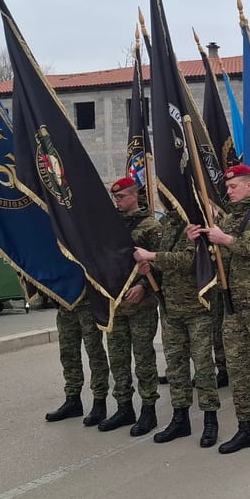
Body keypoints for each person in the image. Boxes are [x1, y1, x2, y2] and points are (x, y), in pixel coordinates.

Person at [189, 164, 250, 463]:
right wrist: (201, 239)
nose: (228, 191)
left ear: (249, 185)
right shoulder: (229, 219)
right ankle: (247, 429)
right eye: (227, 187)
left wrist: (227, 240)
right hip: (234, 308)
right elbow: (219, 255)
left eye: (233, 186)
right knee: (238, 372)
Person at [133, 209, 221, 448]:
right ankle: (180, 418)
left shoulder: (197, 222)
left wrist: (152, 255)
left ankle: (210, 419)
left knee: (203, 367)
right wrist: (150, 269)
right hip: (171, 309)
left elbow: (189, 260)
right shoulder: (168, 225)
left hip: (196, 309)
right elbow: (166, 265)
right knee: (176, 367)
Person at [98, 177, 162, 435]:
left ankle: (148, 409)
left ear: (134, 196)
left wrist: (144, 286)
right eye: (115, 198)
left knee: (143, 357)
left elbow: (159, 262)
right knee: (118, 358)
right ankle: (124, 407)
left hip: (141, 304)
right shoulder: (109, 226)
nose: (117, 201)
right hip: (116, 303)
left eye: (121, 197)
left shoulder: (150, 226)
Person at [46, 300, 111, 424]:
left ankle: (99, 402)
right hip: (65, 303)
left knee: (95, 354)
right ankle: (73, 400)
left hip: (88, 304)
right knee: (68, 354)